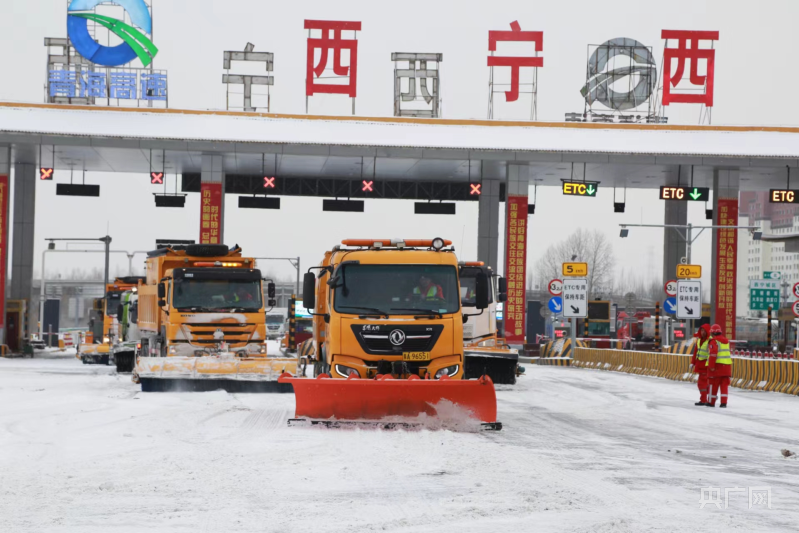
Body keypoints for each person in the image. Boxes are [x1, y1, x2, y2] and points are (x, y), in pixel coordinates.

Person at [706, 324, 732, 408]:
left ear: (712, 333)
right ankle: (723, 403)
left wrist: (711, 366)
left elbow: (713, 354)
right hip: (727, 366)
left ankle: (711, 402)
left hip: (717, 366)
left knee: (713, 384)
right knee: (724, 385)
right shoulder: (726, 341)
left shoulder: (714, 341)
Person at [690, 324, 711, 406]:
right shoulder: (699, 340)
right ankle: (707, 398)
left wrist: (710, 365)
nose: (702, 332)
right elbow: (696, 352)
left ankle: (704, 400)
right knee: (705, 384)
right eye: (701, 330)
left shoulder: (710, 341)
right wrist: (693, 362)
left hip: (706, 366)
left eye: (704, 331)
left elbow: (711, 354)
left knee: (702, 384)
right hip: (700, 365)